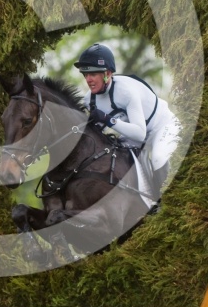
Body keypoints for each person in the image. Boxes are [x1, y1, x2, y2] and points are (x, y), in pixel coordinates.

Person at [74, 43, 180, 200]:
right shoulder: (89, 100)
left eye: (93, 74)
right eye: (85, 74)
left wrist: (107, 119)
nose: (88, 80)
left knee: (158, 157)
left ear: (107, 73)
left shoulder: (126, 91)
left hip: (162, 126)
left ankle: (167, 202)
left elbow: (140, 133)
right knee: (118, 157)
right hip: (133, 135)